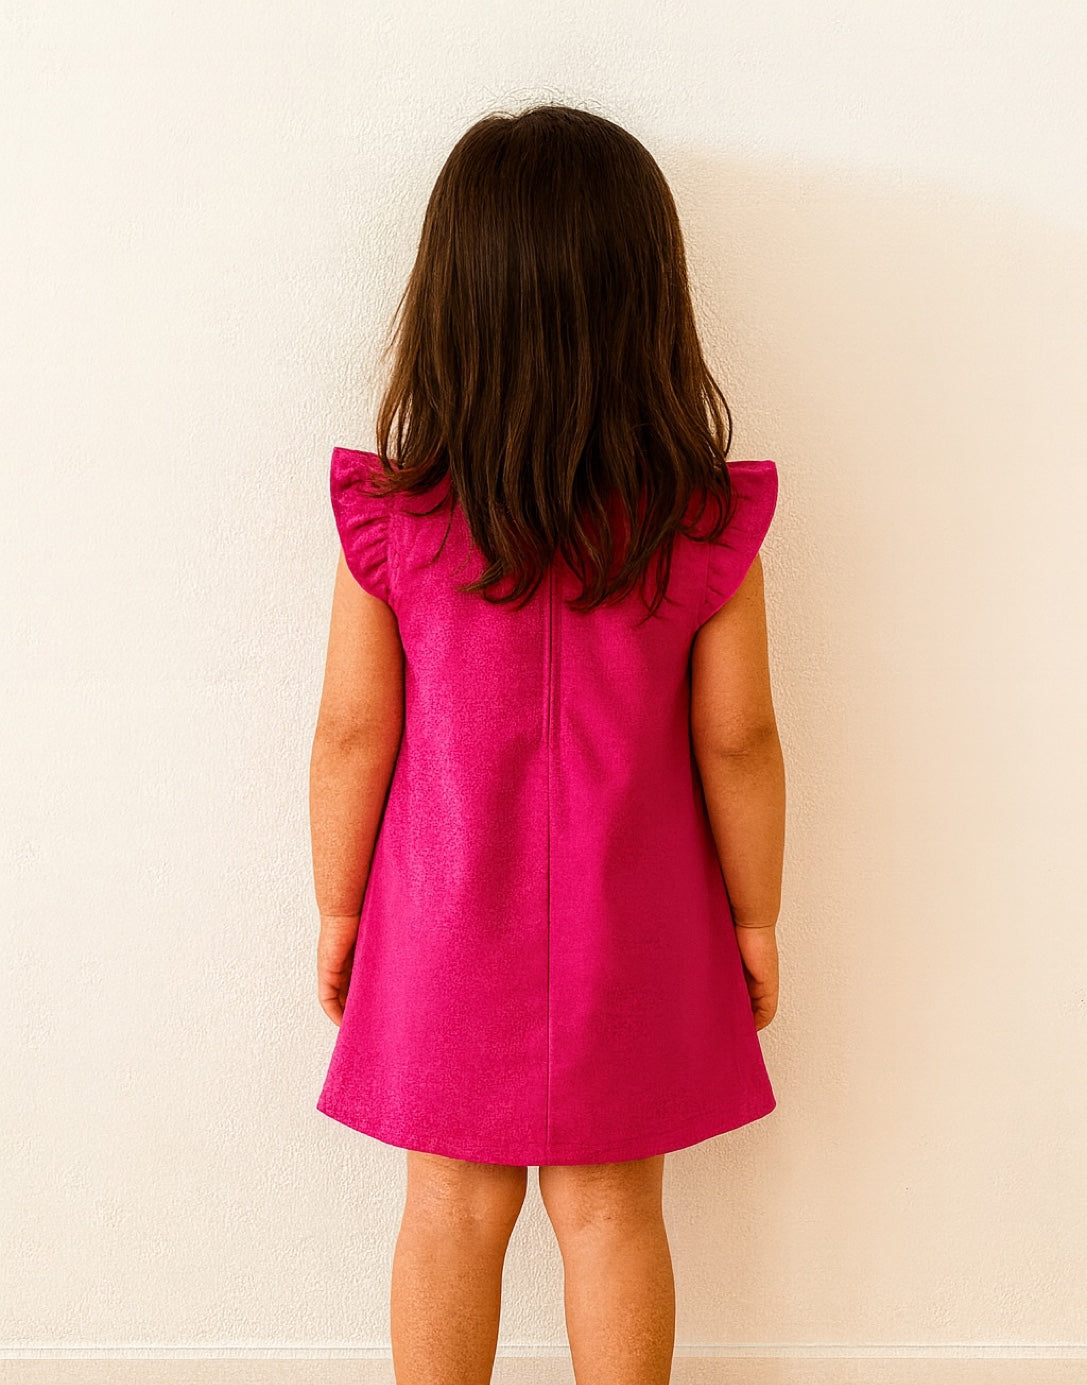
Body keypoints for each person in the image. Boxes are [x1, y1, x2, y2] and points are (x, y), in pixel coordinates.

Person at [309, 102, 785, 1385]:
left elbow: (352, 732)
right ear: (647, 304)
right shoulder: (697, 526)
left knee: (450, 1208)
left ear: (449, 305)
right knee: (613, 1210)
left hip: (441, 918)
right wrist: (754, 916)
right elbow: (739, 740)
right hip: (635, 923)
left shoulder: (397, 523)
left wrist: (340, 906)